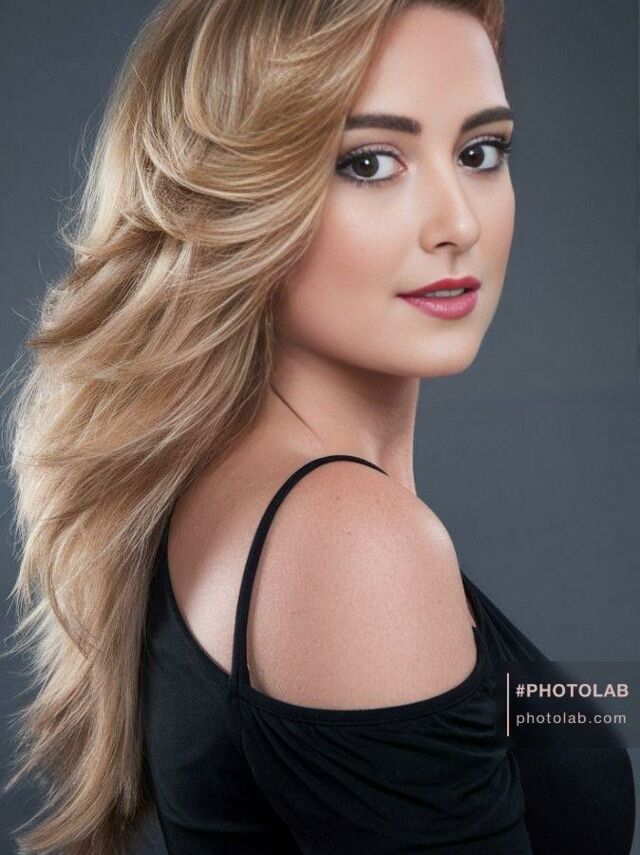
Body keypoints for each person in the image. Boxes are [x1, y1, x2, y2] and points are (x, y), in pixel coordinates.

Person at [4, 1, 635, 853]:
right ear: (238, 195)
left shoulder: (241, 489)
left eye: (480, 152)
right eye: (370, 162)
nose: (460, 223)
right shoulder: (350, 542)